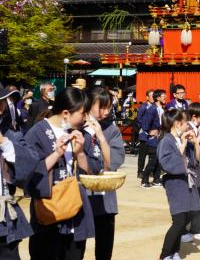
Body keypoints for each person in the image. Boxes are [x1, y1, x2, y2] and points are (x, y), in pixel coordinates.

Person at [25, 87, 97, 260]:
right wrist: (56, 153)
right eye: (82, 113)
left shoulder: (80, 133)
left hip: (76, 211)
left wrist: (80, 153)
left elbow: (94, 170)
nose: (85, 118)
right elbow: (28, 174)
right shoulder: (37, 133)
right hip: (50, 213)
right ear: (66, 113)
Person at [83, 86, 125, 260]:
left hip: (105, 197)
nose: (106, 112)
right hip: (80, 196)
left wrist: (100, 136)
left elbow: (116, 159)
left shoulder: (111, 129)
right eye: (101, 107)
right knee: (74, 246)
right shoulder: (75, 126)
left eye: (109, 107)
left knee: (104, 247)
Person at [157, 108, 200, 260]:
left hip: (186, 181)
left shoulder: (183, 139)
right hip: (174, 183)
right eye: (185, 122)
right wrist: (183, 144)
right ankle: (164, 255)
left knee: (187, 216)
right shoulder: (166, 141)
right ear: (177, 123)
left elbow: (194, 162)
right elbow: (168, 163)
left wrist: (195, 144)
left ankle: (174, 252)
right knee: (179, 220)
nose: (188, 125)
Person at [0, 89, 37, 260]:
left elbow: (31, 163)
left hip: (3, 218)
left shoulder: (11, 136)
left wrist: (4, 143)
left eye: (2, 103)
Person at [181, 102, 200, 243]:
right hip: (193, 167)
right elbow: (193, 146)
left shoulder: (197, 128)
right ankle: (195, 229)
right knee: (196, 200)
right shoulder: (188, 128)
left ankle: (193, 228)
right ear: (194, 116)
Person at [141, 89, 166, 188]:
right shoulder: (152, 109)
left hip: (161, 136)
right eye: (163, 95)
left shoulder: (162, 109)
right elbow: (146, 122)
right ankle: (144, 179)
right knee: (153, 160)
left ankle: (156, 179)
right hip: (153, 137)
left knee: (159, 159)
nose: (165, 97)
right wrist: (149, 131)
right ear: (158, 98)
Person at [136, 90, 154, 178]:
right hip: (144, 133)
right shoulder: (143, 107)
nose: (153, 97)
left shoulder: (155, 107)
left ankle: (150, 170)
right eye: (151, 96)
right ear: (147, 97)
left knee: (152, 154)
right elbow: (139, 120)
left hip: (153, 134)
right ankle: (140, 171)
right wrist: (144, 128)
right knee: (142, 154)